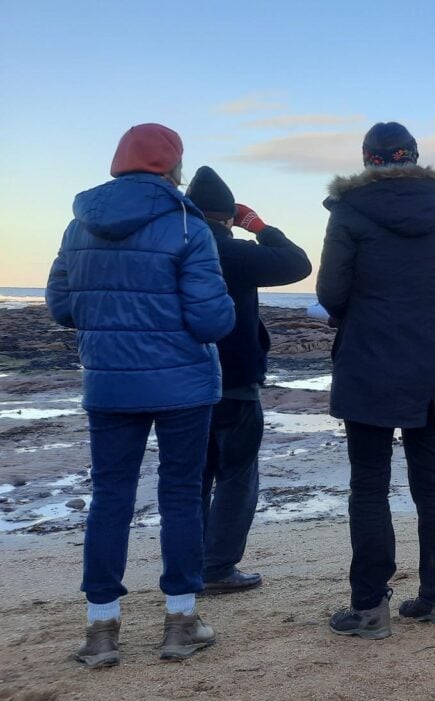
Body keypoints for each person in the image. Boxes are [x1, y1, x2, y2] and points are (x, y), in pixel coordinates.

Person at [46, 124, 235, 666]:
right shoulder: (184, 223)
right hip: (182, 386)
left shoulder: (77, 225)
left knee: (110, 498)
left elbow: (62, 307)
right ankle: (181, 621)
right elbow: (211, 319)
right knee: (179, 495)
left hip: (107, 384)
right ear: (172, 167)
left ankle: (101, 630)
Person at [317, 122, 435, 639]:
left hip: (370, 365)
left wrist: (361, 308)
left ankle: (369, 608)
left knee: (369, 487)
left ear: (368, 161)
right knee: (430, 482)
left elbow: (330, 291)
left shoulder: (348, 210)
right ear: (415, 158)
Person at [184, 166, 312, 594]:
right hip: (235, 378)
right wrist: (259, 227)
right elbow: (298, 264)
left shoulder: (174, 246)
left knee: (193, 476)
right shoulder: (232, 253)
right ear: (226, 217)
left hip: (181, 382)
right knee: (237, 475)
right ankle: (217, 567)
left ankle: (189, 566)